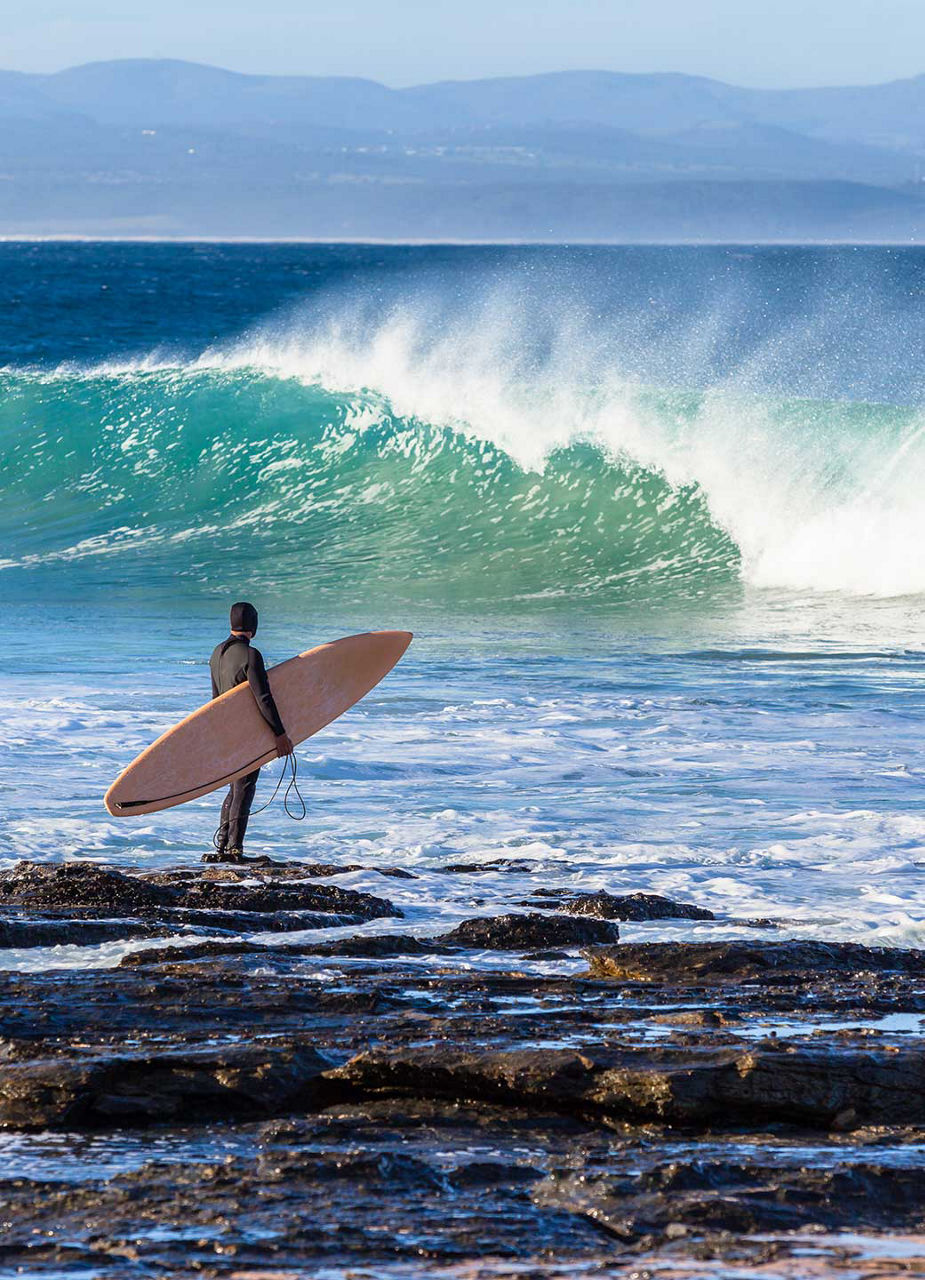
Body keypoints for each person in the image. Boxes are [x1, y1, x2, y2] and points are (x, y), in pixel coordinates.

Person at [203, 601, 293, 864]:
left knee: (235, 787)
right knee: (244, 787)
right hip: (245, 732)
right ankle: (234, 850)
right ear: (254, 626)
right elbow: (263, 698)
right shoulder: (251, 656)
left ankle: (224, 846)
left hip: (223, 729)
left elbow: (214, 699)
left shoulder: (216, 653)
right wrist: (279, 734)